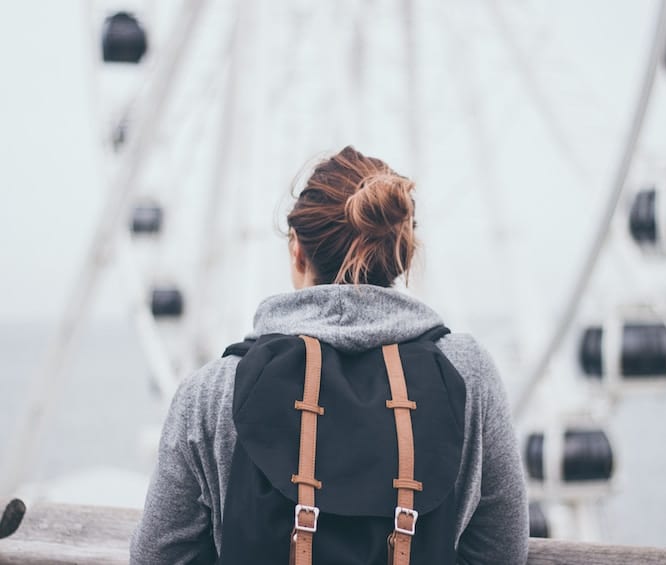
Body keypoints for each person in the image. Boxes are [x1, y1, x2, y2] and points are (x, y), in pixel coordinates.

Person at [130, 146, 529, 564]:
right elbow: (500, 551)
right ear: (403, 254)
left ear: (297, 251)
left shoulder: (213, 392)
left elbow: (160, 555)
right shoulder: (466, 374)